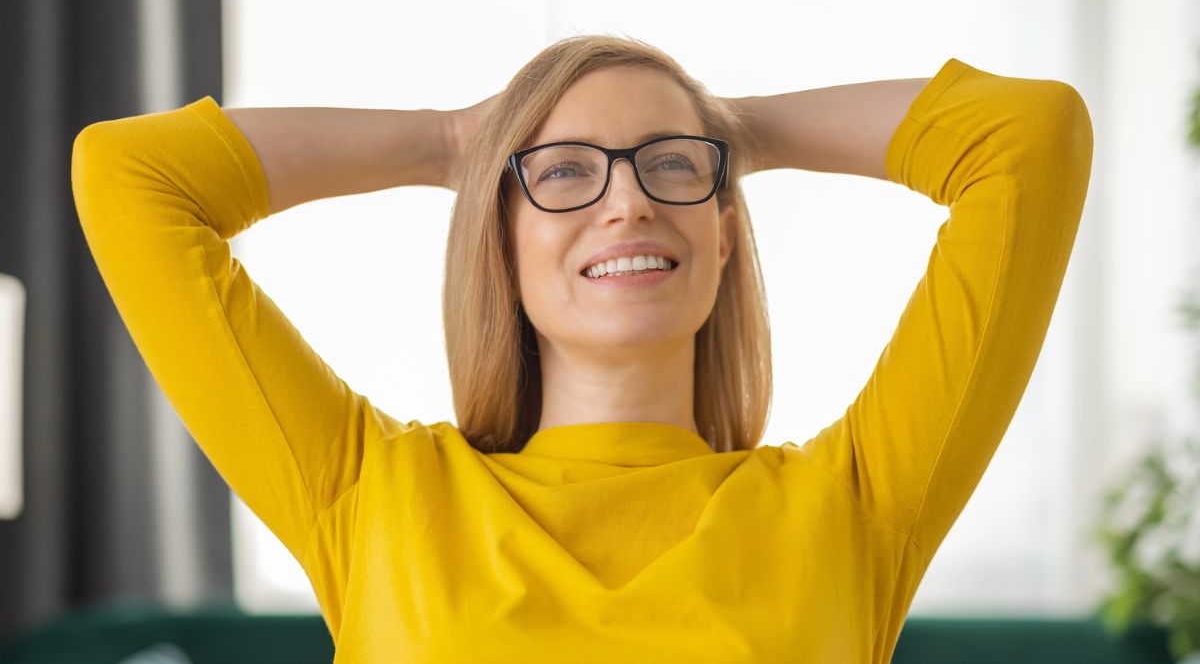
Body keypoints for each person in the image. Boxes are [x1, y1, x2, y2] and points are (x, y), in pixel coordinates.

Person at [70, 34, 1093, 662]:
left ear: (725, 232)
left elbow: (1028, 134)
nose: (630, 200)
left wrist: (734, 126)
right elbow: (130, 175)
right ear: (499, 239)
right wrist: (448, 144)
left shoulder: (858, 505)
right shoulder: (370, 495)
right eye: (563, 174)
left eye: (670, 165)